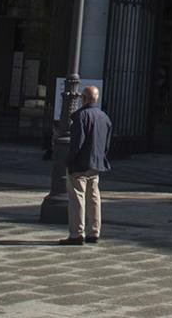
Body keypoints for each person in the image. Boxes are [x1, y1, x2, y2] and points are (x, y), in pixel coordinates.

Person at [62, 84, 112, 245]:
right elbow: (106, 144)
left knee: (77, 197)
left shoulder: (80, 116)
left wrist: (69, 161)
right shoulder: (104, 117)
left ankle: (77, 233)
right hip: (96, 164)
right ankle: (94, 231)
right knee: (94, 197)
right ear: (96, 98)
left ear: (83, 98)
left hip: (80, 164)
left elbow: (76, 144)